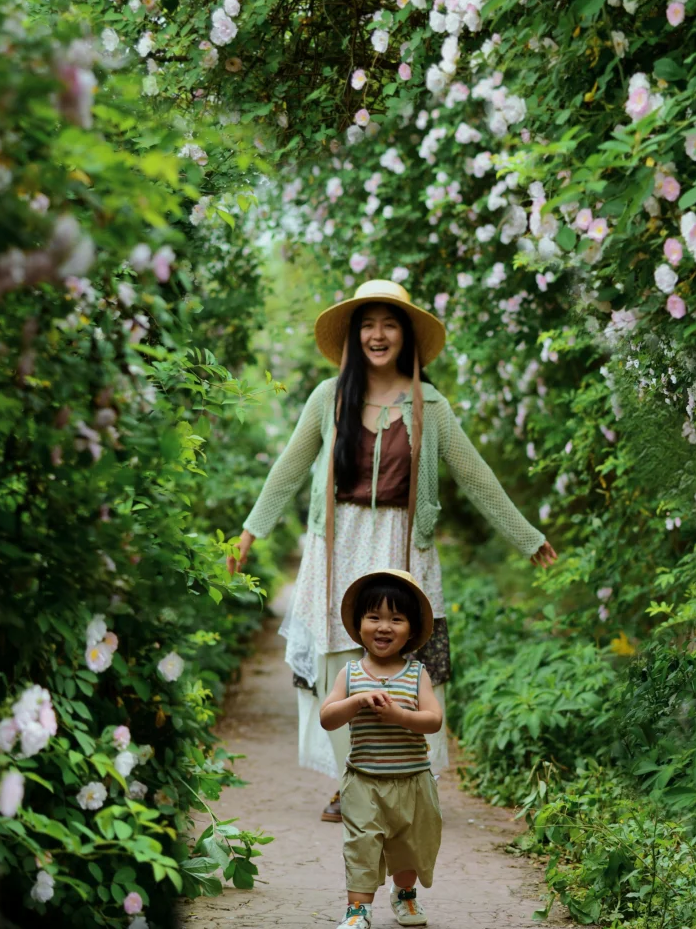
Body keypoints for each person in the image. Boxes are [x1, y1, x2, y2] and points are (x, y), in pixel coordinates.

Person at [229, 277, 556, 817]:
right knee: (342, 657)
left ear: (405, 335)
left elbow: (476, 477)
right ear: (355, 335)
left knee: (406, 658)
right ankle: (348, 781)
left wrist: (527, 537)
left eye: (388, 324)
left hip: (404, 542)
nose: (377, 335)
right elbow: (287, 470)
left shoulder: (431, 404)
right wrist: (250, 532)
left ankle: (403, 778)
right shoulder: (327, 398)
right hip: (339, 543)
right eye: (367, 324)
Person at [321, 570, 443, 929]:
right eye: (374, 617)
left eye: (396, 619)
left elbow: (433, 720)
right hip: (363, 780)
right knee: (361, 843)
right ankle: (357, 908)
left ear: (411, 629)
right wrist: (356, 700)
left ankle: (404, 894)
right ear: (359, 624)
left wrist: (399, 715)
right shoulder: (350, 673)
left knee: (408, 844)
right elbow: (328, 717)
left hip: (412, 781)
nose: (384, 627)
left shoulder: (417, 673)